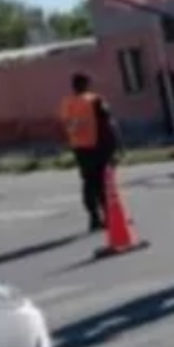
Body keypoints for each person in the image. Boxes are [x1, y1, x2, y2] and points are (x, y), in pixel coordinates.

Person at [58, 72, 121, 233]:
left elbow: (67, 126)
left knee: (88, 182)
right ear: (87, 84)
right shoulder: (95, 100)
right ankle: (108, 215)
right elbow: (108, 124)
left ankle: (94, 217)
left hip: (79, 147)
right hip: (97, 145)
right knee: (102, 182)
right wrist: (116, 146)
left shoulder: (67, 103)